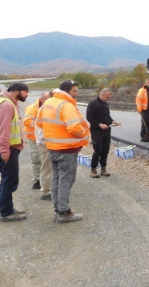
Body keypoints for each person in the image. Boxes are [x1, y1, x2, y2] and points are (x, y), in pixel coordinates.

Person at [36, 80, 90, 223]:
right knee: (66, 180)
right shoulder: (66, 105)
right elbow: (74, 128)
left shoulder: (48, 103)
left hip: (52, 148)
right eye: (74, 91)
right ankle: (63, 212)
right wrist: (84, 133)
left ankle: (58, 209)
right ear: (66, 91)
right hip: (67, 150)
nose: (76, 94)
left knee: (56, 179)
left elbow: (39, 122)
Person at [0, 82, 29, 222]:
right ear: (17, 91)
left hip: (11, 147)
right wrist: (4, 150)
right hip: (9, 148)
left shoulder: (10, 103)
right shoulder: (7, 105)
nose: (27, 95)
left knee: (7, 179)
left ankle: (6, 207)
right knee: (9, 180)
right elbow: (4, 129)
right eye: (25, 92)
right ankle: (6, 212)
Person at [86, 88, 120, 178]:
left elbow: (107, 116)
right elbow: (89, 117)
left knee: (105, 150)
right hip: (96, 131)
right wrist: (99, 124)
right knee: (98, 150)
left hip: (107, 130)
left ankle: (103, 169)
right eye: (107, 97)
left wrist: (112, 121)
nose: (108, 99)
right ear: (102, 95)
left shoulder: (106, 104)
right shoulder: (93, 104)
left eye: (109, 97)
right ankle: (93, 170)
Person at [23, 91, 50, 191]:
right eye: (47, 99)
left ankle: (44, 180)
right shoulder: (32, 108)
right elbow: (27, 121)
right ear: (42, 99)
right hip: (34, 138)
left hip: (44, 138)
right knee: (36, 159)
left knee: (45, 160)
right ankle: (36, 181)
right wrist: (40, 127)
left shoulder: (47, 107)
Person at [35, 91, 54, 201]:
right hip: (45, 142)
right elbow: (42, 127)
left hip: (46, 141)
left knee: (48, 166)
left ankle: (48, 189)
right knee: (46, 166)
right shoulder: (46, 109)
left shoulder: (46, 108)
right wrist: (42, 140)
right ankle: (45, 191)